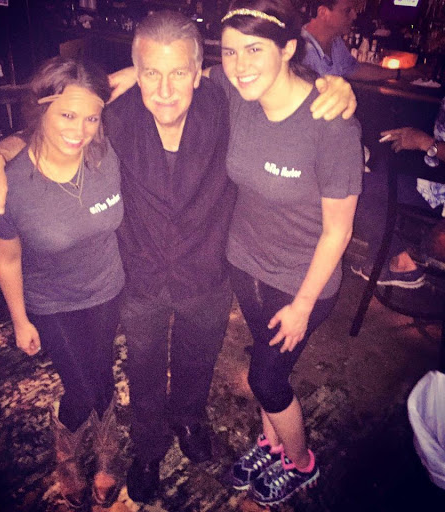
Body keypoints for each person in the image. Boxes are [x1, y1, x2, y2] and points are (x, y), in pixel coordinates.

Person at [0, 10, 356, 504]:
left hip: (208, 271)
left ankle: (189, 421)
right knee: (144, 369)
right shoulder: (114, 117)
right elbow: (56, 115)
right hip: (139, 276)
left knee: (198, 358)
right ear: (137, 70)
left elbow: (277, 80)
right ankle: (148, 449)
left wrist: (330, 85)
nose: (165, 90)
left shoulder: (226, 101)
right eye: (151, 72)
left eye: (177, 73)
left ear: (198, 72)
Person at [206, 0, 363, 505]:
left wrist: (302, 305)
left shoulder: (330, 123)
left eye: (254, 49)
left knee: (267, 378)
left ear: (288, 49)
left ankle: (301, 463)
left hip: (302, 282)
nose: (240, 64)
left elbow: (338, 231)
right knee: (269, 366)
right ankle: (270, 444)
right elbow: (168, 73)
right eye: (230, 51)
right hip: (245, 264)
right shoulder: (235, 92)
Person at [0, 56, 125, 508]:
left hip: (107, 288)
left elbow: (137, 79)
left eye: (91, 118)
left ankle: (107, 450)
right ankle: (66, 452)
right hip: (52, 302)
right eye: (67, 114)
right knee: (81, 388)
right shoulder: (9, 183)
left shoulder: (105, 153)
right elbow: (7, 258)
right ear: (40, 110)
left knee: (102, 372)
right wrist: (19, 320)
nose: (80, 129)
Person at [351, 97, 445, 286]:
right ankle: (384, 259)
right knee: (382, 160)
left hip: (439, 193)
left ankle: (401, 262)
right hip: (434, 173)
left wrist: (426, 142)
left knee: (352, 186)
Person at [302, 0, 416, 81]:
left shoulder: (335, 42)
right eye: (347, 11)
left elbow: (354, 68)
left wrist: (400, 73)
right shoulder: (302, 50)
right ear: (323, 13)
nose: (354, 16)